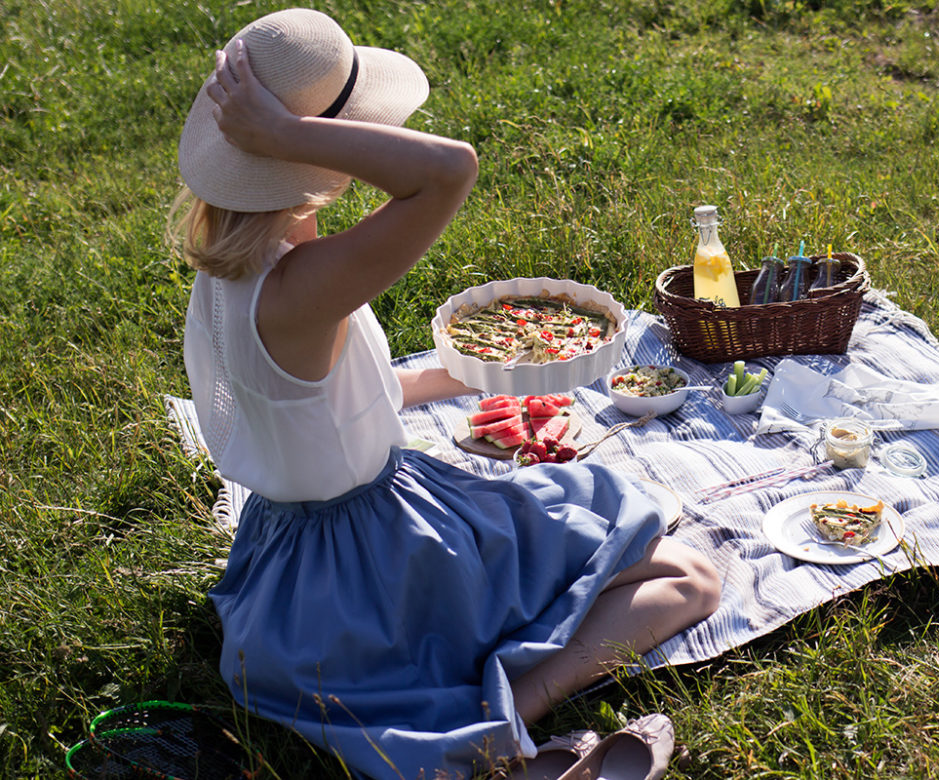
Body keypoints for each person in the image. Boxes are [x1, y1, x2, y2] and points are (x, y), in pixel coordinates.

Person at [170, 9, 721, 779]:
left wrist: (472, 374)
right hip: (373, 564)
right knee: (688, 575)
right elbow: (448, 169)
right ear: (307, 159)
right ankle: (507, 715)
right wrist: (286, 135)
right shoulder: (300, 286)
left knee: (592, 524)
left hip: (285, 575)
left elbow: (319, 402)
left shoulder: (233, 268)